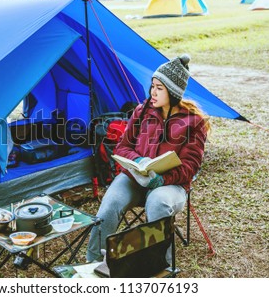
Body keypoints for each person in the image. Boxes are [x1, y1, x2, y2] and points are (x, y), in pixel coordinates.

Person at [86, 54, 210, 265]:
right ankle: (92, 263)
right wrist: (139, 160)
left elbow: (190, 166)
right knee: (109, 205)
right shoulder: (142, 111)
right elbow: (123, 147)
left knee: (158, 202)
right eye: (152, 85)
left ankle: (162, 268)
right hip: (135, 178)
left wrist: (162, 179)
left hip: (170, 184)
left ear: (173, 92)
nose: (152, 92)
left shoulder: (194, 122)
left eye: (159, 88)